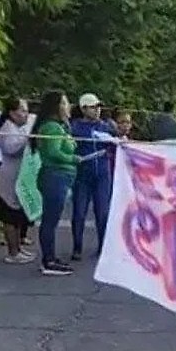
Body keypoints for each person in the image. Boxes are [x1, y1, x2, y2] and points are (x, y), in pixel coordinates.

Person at [31, 90, 79, 276]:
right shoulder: (51, 127)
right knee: (50, 221)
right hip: (54, 177)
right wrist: (72, 158)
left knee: (53, 220)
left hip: (61, 177)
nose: (68, 107)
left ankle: (51, 256)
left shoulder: (60, 127)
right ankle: (48, 261)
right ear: (56, 106)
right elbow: (53, 153)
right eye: (65, 103)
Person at [69, 93, 118, 261]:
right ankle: (77, 247)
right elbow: (69, 148)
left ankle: (103, 246)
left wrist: (115, 144)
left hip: (103, 174)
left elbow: (116, 147)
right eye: (93, 107)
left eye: (98, 106)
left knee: (102, 211)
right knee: (79, 211)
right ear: (83, 109)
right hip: (82, 175)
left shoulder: (106, 127)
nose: (97, 110)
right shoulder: (74, 127)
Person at [0, 97, 35, 264]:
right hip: (9, 177)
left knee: (18, 215)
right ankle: (12, 252)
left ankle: (18, 248)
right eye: (22, 110)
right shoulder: (6, 128)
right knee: (9, 216)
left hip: (19, 176)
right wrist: (27, 138)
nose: (26, 114)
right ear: (12, 113)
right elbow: (10, 148)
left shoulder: (19, 128)